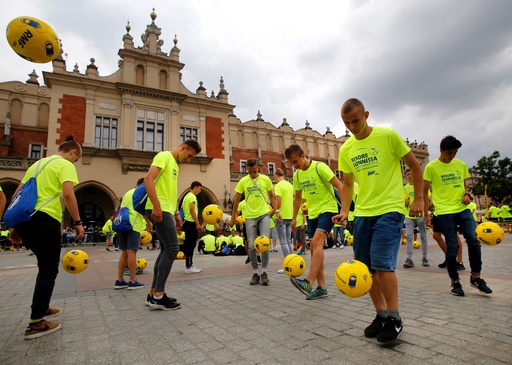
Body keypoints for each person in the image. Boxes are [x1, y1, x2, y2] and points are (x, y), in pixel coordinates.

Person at [334, 98, 423, 343]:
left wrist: (418, 199)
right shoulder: (346, 149)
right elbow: (348, 184)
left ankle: (395, 318)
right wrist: (344, 210)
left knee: (383, 265)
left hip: (390, 209)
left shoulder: (387, 136)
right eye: (346, 123)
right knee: (366, 268)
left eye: (355, 120)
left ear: (366, 115)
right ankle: (381, 314)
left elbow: (415, 166)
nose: (352, 126)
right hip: (362, 213)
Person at [8, 136, 84, 339]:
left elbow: (18, 193)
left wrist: (15, 225)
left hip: (25, 218)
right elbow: (68, 194)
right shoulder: (65, 164)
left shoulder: (37, 164)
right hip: (45, 219)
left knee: (44, 266)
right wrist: (77, 222)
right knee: (49, 269)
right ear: (73, 153)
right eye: (75, 160)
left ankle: (43, 306)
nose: (74, 163)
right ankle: (36, 323)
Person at [423, 135, 492, 297]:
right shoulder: (431, 167)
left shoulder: (460, 165)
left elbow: (465, 186)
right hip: (444, 211)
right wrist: (426, 213)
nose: (452, 155)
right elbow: (424, 191)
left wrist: (467, 195)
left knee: (474, 240)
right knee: (452, 245)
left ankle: (476, 276)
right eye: (449, 153)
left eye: (455, 152)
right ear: (441, 150)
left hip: (462, 209)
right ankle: (455, 281)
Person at [144, 139, 201, 310]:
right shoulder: (164, 156)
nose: (189, 160)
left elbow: (170, 192)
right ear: (183, 148)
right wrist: (156, 205)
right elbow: (148, 180)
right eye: (189, 155)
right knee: (172, 249)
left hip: (167, 209)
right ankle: (158, 295)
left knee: (165, 249)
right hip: (159, 209)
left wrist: (176, 213)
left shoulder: (175, 166)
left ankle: (154, 292)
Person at [285, 144, 344, 300]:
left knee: (317, 242)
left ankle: (308, 282)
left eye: (296, 161)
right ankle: (322, 287)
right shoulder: (297, 176)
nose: (294, 166)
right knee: (313, 248)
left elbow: (339, 185)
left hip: (328, 209)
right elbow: (298, 197)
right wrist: (293, 218)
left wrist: (344, 210)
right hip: (313, 213)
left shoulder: (320, 167)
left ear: (304, 156)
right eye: (291, 163)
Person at [229, 158, 277, 286]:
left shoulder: (266, 179)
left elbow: (272, 196)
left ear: (258, 169)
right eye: (249, 172)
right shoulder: (243, 181)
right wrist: (233, 217)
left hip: (264, 214)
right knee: (251, 245)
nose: (252, 174)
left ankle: (265, 272)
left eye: (254, 171)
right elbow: (237, 200)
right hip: (249, 216)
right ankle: (255, 272)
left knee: (265, 242)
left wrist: (276, 211)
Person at [114, 178, 150, 290]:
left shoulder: (127, 193)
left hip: (122, 223)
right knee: (132, 251)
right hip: (133, 224)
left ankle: (119, 280)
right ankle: (132, 280)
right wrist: (149, 223)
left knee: (124, 252)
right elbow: (142, 210)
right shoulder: (141, 193)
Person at [403, 168, 429, 268]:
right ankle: (409, 258)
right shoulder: (405, 188)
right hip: (409, 215)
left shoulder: (421, 186)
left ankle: (425, 257)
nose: (409, 176)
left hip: (420, 214)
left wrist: (426, 213)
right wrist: (405, 202)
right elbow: (404, 201)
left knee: (423, 236)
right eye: (407, 174)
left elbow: (426, 199)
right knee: (409, 236)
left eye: (411, 174)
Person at [273, 168, 294, 274]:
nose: (275, 179)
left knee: (283, 241)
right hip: (289, 215)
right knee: (289, 241)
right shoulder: (290, 185)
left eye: (274, 178)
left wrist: (274, 211)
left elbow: (279, 202)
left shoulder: (278, 186)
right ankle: (293, 263)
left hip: (281, 215)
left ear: (276, 176)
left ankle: (288, 265)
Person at [181, 181, 203, 274]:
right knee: (191, 244)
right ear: (195, 187)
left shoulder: (186, 196)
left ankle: (189, 265)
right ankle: (189, 266)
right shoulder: (192, 196)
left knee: (189, 244)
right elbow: (192, 210)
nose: (200, 190)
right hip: (191, 222)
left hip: (187, 222)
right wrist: (197, 223)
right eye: (200, 188)